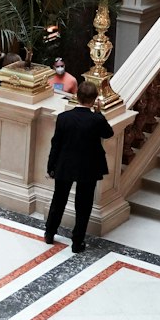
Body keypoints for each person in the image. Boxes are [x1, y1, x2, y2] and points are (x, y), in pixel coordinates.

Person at [43, 81, 113, 253]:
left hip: (65, 165)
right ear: (94, 99)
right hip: (87, 168)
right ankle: (77, 242)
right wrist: (99, 113)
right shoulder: (96, 120)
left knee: (58, 200)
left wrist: (51, 166)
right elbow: (108, 133)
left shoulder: (63, 118)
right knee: (84, 205)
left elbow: (56, 145)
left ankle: (50, 233)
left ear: (77, 96)